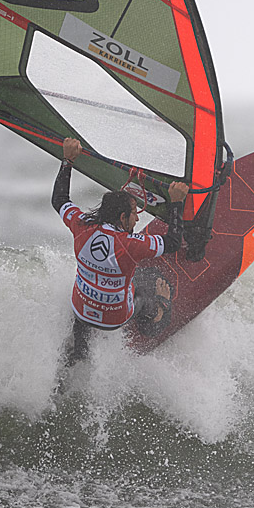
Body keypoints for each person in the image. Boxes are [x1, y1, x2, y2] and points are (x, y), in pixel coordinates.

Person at [52, 138, 188, 368]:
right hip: (116, 318)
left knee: (87, 302)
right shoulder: (132, 245)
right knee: (148, 281)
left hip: (81, 310)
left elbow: (60, 200)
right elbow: (173, 241)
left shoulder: (82, 225)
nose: (138, 217)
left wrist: (68, 160)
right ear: (123, 218)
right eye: (135, 213)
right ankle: (156, 316)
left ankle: (78, 354)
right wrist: (176, 204)